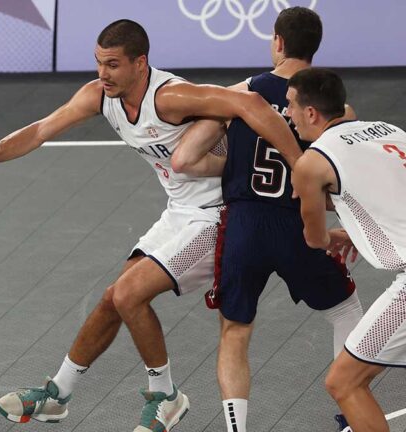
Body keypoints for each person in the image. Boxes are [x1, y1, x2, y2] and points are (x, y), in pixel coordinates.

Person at [0, 19, 298, 431]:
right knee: (114, 298)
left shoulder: (171, 97)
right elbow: (40, 130)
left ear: (140, 63)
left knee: (128, 295)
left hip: (219, 216)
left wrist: (297, 161)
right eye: (98, 63)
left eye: (112, 65)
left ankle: (166, 395)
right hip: (180, 210)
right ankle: (58, 394)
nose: (102, 74)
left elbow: (251, 104)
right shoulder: (99, 96)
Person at [170, 8, 363, 432]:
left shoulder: (240, 95)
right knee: (345, 309)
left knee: (235, 330)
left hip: (243, 225)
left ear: (277, 42)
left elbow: (184, 159)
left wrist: (237, 165)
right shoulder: (335, 110)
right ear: (315, 46)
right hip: (299, 224)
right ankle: (352, 417)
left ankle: (237, 429)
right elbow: (343, 181)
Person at [290, 67, 406, 432]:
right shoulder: (392, 131)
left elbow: (314, 239)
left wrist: (336, 237)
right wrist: (362, 228)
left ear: (312, 113)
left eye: (291, 106)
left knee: (344, 382)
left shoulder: (311, 163)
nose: (287, 115)